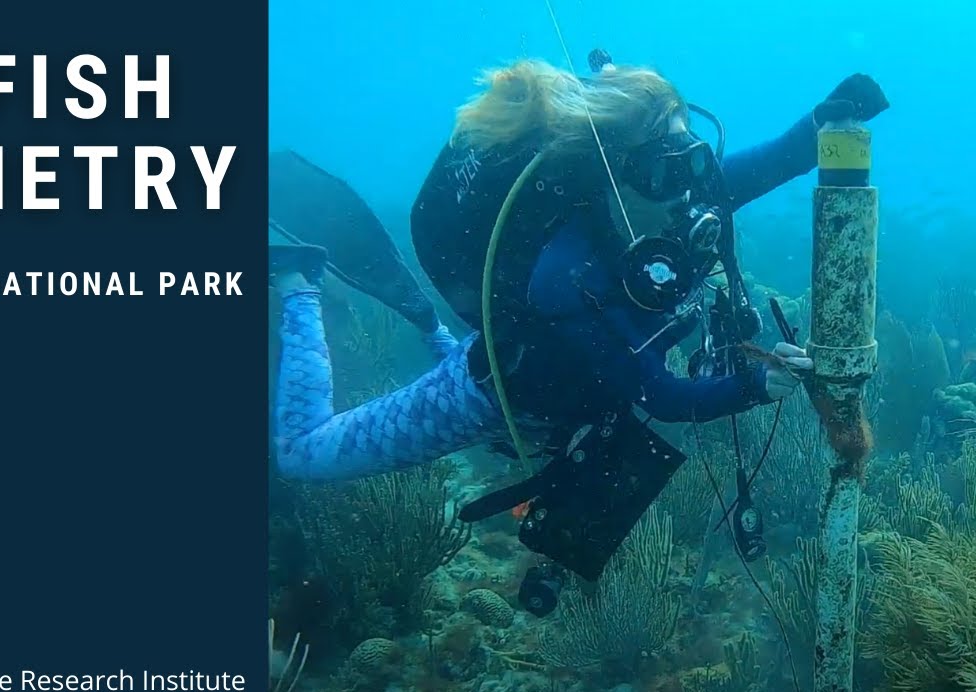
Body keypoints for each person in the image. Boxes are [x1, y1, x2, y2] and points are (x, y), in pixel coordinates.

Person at [270, 58, 889, 488]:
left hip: (565, 383)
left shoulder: (663, 198)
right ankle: (298, 283)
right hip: (489, 399)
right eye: (665, 162)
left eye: (688, 154)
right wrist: (756, 386)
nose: (689, 180)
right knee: (303, 455)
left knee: (473, 346)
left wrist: (826, 120)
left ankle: (428, 323)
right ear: (614, 170)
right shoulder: (567, 273)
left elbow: (769, 164)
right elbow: (660, 395)